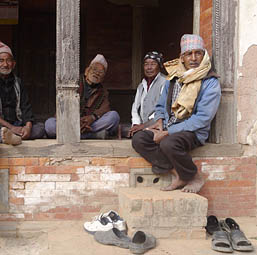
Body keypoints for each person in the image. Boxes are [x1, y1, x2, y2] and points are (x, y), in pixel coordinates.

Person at [132, 34, 221, 193]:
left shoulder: (210, 82)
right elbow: (160, 105)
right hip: (167, 125)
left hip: (192, 131)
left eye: (198, 53)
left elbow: (202, 119)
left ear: (204, 55)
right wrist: (159, 120)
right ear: (182, 58)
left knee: (169, 143)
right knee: (139, 139)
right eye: (188, 54)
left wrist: (167, 133)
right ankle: (179, 174)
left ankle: (193, 176)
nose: (193, 58)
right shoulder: (173, 78)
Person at [0, 42, 45, 146]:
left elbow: (26, 107)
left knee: (40, 128)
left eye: (8, 60)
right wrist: (11, 127)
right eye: (1, 61)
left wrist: (28, 127)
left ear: (13, 64)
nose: (5, 64)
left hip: (17, 123)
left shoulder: (18, 82)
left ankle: (12, 136)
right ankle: (8, 136)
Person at [45, 54, 120, 139]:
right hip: (69, 122)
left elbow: (105, 109)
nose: (96, 73)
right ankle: (91, 136)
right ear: (87, 71)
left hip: (90, 124)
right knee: (50, 124)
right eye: (94, 69)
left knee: (114, 116)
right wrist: (76, 122)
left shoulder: (103, 91)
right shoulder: (74, 83)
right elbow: (64, 106)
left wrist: (92, 118)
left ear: (103, 78)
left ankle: (76, 135)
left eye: (100, 72)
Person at [129, 51, 166, 137]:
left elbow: (163, 109)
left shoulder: (165, 82)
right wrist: (136, 124)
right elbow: (135, 108)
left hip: (159, 124)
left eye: (153, 64)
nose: (149, 67)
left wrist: (143, 126)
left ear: (159, 66)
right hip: (143, 125)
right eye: (146, 64)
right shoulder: (141, 86)